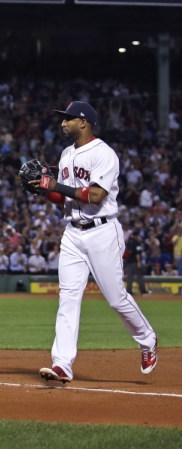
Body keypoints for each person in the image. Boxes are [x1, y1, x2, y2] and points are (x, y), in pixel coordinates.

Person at [33, 100, 157, 383]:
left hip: (103, 232)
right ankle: (62, 363)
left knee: (115, 298)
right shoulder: (65, 154)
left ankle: (148, 339)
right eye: (62, 119)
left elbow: (96, 195)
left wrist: (54, 185)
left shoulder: (105, 154)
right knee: (68, 297)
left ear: (84, 123)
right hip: (72, 234)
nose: (62, 123)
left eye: (68, 119)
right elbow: (62, 196)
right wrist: (43, 190)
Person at [125, 231, 150, 296]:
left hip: (128, 262)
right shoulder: (137, 243)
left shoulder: (129, 242)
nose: (139, 237)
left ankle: (129, 291)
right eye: (138, 236)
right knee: (140, 277)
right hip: (135, 262)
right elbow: (138, 254)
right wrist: (139, 262)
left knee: (129, 278)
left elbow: (126, 252)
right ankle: (143, 291)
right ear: (136, 236)